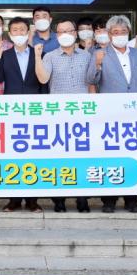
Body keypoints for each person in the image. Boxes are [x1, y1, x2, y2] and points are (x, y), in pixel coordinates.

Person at [86, 15, 137, 214]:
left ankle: (132, 200)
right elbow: (90, 79)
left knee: (133, 155)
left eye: (123, 32)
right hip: (110, 114)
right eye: (115, 32)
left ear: (128, 33)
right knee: (111, 156)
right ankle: (109, 200)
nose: (119, 35)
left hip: (135, 114)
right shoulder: (100, 53)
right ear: (109, 34)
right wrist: (97, 64)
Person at [35, 19, 91, 213]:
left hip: (83, 114)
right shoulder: (50, 56)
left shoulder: (86, 55)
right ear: (56, 35)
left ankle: (82, 198)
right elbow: (43, 79)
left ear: (75, 33)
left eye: (68, 31)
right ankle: (59, 199)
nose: (65, 34)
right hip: (58, 116)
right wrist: (37, 56)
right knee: (59, 158)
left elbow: (92, 83)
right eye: (60, 32)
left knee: (81, 158)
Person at [0, 17, 44, 213]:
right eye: (15, 30)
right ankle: (13, 200)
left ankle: (32, 200)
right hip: (12, 111)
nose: (19, 33)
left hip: (35, 110)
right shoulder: (5, 55)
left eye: (22, 29)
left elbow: (44, 83)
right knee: (13, 155)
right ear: (10, 34)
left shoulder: (39, 53)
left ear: (28, 32)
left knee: (34, 156)